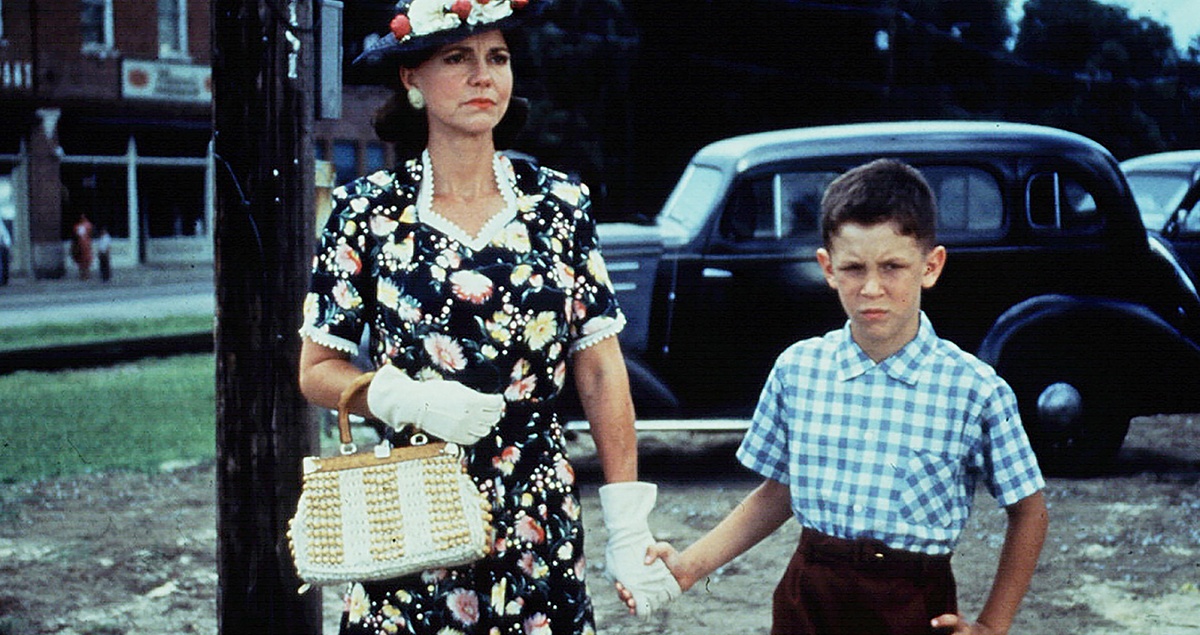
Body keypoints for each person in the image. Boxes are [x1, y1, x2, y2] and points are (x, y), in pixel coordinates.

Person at [297, 1, 678, 633]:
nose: (483, 76)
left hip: (538, 513)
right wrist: (405, 399)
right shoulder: (366, 211)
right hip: (413, 511)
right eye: (458, 58)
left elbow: (601, 372)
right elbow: (316, 370)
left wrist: (628, 525)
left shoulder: (557, 205)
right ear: (412, 78)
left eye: (497, 58)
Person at [636, 159, 1049, 635]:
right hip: (808, 602)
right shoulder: (798, 370)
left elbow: (1029, 511)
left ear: (931, 266)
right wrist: (688, 568)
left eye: (892, 267)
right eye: (853, 268)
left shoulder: (975, 390)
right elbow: (779, 492)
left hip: (912, 607)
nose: (871, 288)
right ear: (828, 268)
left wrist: (993, 624)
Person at [71, 214, 94, 280]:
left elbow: (90, 234)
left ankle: (86, 275)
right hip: (79, 246)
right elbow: (75, 237)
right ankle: (82, 275)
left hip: (86, 246)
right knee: (80, 261)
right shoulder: (77, 226)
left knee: (86, 261)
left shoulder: (88, 225)